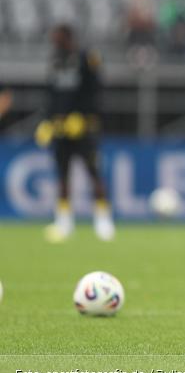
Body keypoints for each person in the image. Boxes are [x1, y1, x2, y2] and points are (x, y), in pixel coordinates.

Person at [35, 24, 114, 243]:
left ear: (68, 38)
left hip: (84, 128)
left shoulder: (86, 58)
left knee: (93, 173)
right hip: (61, 128)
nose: (55, 43)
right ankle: (64, 222)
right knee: (62, 175)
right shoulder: (55, 60)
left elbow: (96, 91)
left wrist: (85, 117)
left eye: (58, 39)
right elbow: (51, 94)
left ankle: (103, 220)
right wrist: (48, 121)